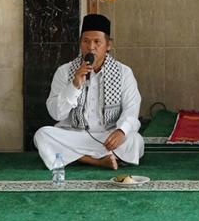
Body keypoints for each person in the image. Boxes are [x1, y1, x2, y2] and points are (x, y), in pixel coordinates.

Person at [33, 13, 144, 170]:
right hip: (74, 135)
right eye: (86, 41)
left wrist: (121, 131)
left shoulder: (124, 73)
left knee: (135, 141)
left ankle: (76, 157)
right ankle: (96, 161)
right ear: (80, 43)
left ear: (108, 45)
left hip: (108, 136)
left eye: (97, 42)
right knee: (42, 135)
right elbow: (56, 114)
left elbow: (131, 109)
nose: (91, 47)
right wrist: (74, 85)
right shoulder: (64, 71)